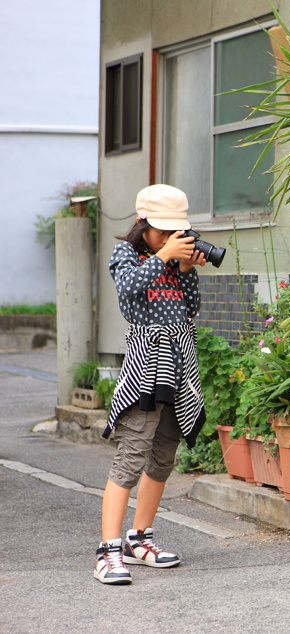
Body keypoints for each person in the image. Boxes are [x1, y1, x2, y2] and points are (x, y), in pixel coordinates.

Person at [94, 184, 208, 585]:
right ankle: (107, 552)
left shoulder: (172, 259)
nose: (168, 236)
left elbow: (189, 308)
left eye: (174, 231)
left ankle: (139, 539)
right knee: (131, 455)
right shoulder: (126, 252)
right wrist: (163, 256)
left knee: (164, 456)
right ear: (142, 223)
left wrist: (187, 270)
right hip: (147, 365)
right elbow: (126, 291)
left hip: (181, 363)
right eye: (162, 230)